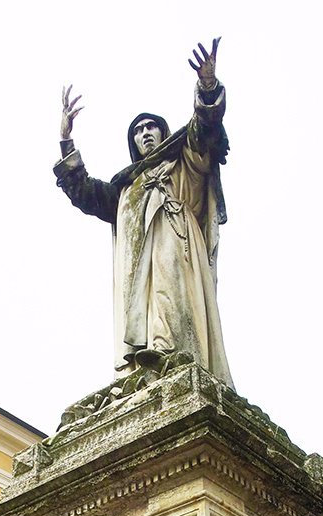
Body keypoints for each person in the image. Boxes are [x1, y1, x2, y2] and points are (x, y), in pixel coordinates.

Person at [55, 39, 234, 388]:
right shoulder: (124, 187)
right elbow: (86, 193)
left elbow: (203, 132)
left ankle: (174, 357)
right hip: (136, 267)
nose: (144, 133)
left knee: (172, 300)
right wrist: (66, 141)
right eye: (137, 131)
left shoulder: (183, 162)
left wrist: (208, 87)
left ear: (163, 132)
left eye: (151, 126)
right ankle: (145, 364)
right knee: (147, 306)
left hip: (177, 248)